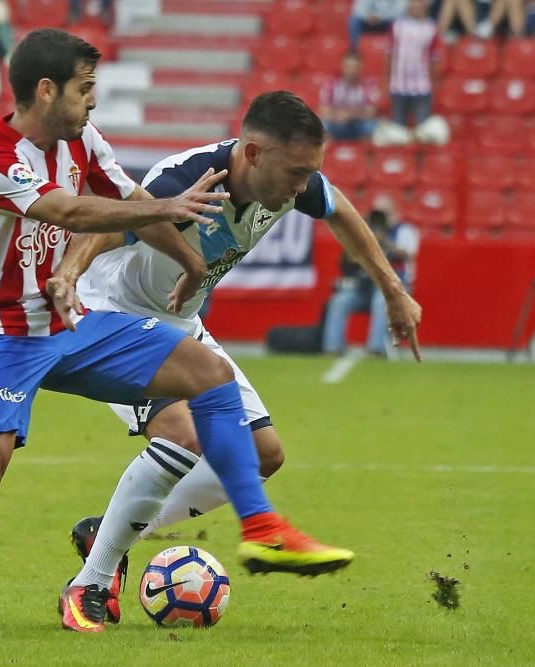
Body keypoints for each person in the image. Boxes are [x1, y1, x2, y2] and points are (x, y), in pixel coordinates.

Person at [0, 30, 354, 642]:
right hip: (5, 333)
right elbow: (71, 212)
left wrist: (193, 262)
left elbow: (131, 197)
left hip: (74, 324)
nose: (93, 101)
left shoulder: (83, 140)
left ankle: (261, 527)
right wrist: (166, 210)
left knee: (210, 374)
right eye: (85, 88)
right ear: (47, 91)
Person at [57, 91, 423, 627]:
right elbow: (109, 224)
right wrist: (68, 276)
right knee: (182, 434)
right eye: (296, 172)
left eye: (310, 174)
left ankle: (103, 536)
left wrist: (392, 290)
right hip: (116, 313)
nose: (303, 187)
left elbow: (341, 211)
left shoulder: (288, 184)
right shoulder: (184, 179)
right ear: (252, 154)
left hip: (180, 321)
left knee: (264, 453)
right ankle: (89, 584)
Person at [322, 194, 419, 356]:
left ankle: (376, 348)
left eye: (384, 213)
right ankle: (332, 347)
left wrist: (384, 240)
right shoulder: (367, 231)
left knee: (380, 301)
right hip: (366, 286)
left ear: (393, 212)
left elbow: (407, 253)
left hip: (394, 288)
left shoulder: (404, 230)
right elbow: (349, 261)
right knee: (339, 301)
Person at [388, 0, 440, 129]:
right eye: (414, 2)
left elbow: (434, 59)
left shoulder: (431, 28)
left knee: (423, 129)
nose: (417, 5)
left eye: (420, 2)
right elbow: (389, 55)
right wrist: (387, 80)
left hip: (422, 86)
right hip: (398, 85)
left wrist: (434, 83)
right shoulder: (397, 26)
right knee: (397, 130)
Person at [319, 52, 380, 142]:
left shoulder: (369, 86)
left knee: (370, 125)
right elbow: (324, 111)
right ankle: (329, 153)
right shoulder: (331, 85)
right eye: (348, 67)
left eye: (355, 67)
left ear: (360, 68)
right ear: (342, 67)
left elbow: (371, 112)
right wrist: (338, 116)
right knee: (324, 125)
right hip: (337, 123)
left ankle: (365, 152)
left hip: (358, 124)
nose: (352, 71)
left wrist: (349, 115)